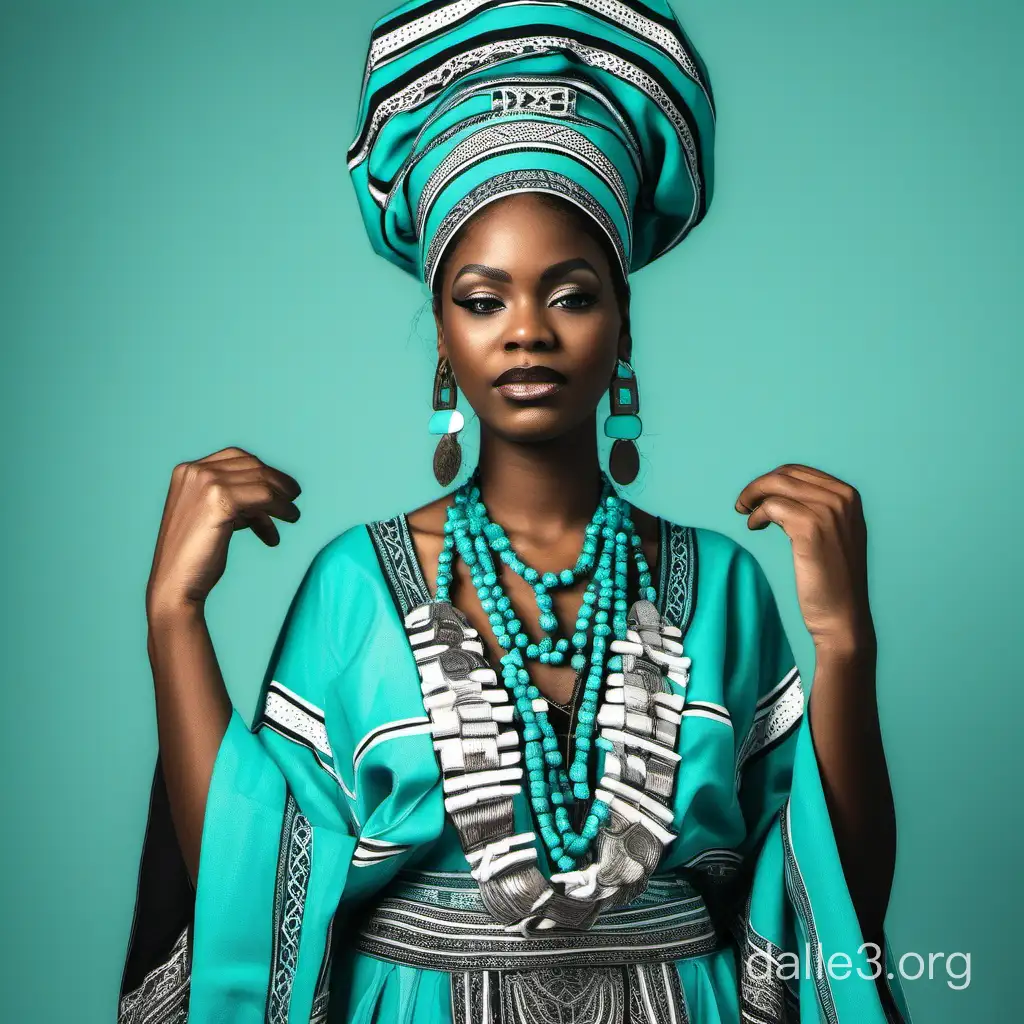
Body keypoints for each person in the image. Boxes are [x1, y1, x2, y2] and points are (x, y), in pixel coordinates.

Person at [118, 2, 915, 1022]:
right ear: (442, 336)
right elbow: (252, 887)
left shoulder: (719, 586)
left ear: (622, 323)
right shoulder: (356, 584)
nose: (527, 332)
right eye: (483, 299)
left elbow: (829, 896)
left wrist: (845, 642)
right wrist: (172, 622)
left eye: (571, 294)